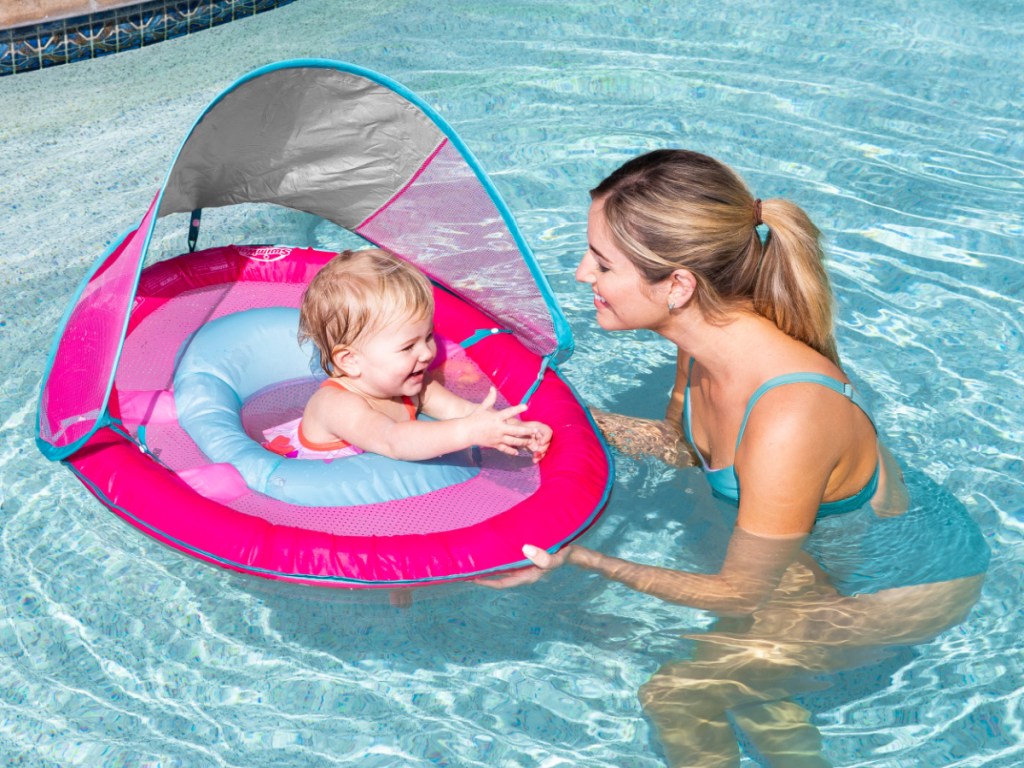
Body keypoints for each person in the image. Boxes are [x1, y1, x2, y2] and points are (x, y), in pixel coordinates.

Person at [479, 150, 987, 766]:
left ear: (678, 285)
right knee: (750, 695)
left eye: (603, 262)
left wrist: (583, 558)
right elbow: (681, 451)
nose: (583, 273)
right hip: (814, 559)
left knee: (676, 694)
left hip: (898, 586)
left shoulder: (788, 416)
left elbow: (741, 592)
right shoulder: (703, 346)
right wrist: (548, 422)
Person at [263, 248, 551, 464]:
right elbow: (393, 441)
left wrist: (517, 431)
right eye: (407, 347)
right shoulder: (335, 405)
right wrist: (467, 433)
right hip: (307, 479)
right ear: (350, 360)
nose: (426, 353)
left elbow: (462, 412)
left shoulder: (413, 385)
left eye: (427, 337)